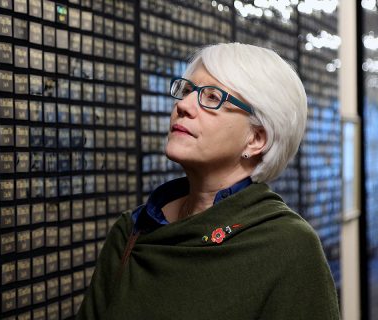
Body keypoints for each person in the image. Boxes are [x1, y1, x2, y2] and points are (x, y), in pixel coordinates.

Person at [76, 43, 340, 319]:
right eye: (187, 90)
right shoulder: (132, 231)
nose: (183, 105)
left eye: (212, 97)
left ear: (256, 138)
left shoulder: (290, 246)